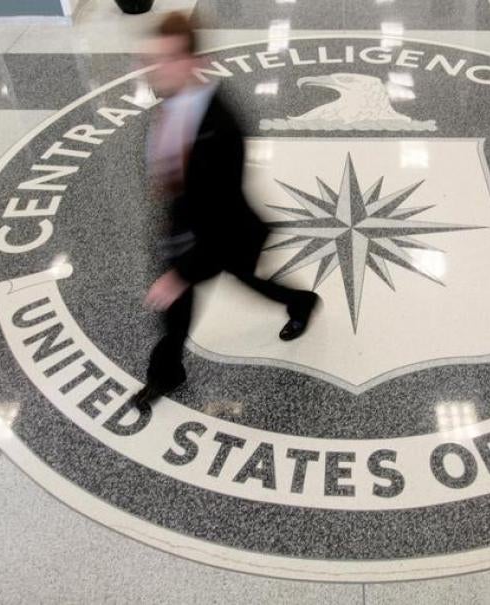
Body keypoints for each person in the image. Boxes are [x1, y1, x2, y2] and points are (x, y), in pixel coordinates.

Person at [131, 12, 318, 410]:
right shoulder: (172, 99)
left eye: (165, 60)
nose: (155, 69)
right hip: (186, 228)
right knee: (176, 314)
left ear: (191, 62)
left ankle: (301, 302)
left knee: (247, 281)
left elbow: (221, 215)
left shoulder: (223, 128)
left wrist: (178, 275)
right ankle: (166, 374)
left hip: (225, 233)